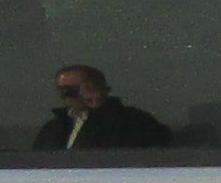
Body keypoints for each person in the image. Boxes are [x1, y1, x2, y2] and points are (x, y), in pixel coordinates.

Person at [31, 63, 170, 153]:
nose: (67, 95)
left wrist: (99, 107)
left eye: (72, 89)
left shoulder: (133, 122)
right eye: (62, 90)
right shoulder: (54, 128)